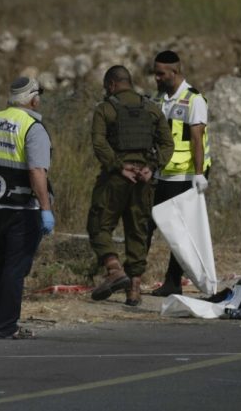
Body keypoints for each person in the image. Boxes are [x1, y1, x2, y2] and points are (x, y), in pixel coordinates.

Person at [87, 66, 173, 306]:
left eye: (107, 87)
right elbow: (168, 143)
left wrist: (117, 165)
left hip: (116, 177)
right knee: (138, 229)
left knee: (98, 223)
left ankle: (114, 269)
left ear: (112, 85)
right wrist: (152, 167)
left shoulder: (105, 108)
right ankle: (134, 288)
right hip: (144, 179)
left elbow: (98, 142)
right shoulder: (152, 109)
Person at [0, 76, 54, 339]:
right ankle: (6, 326)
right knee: (15, 268)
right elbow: (37, 171)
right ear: (33, 99)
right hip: (24, 207)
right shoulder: (32, 127)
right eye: (39, 96)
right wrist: (45, 208)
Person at [149, 50, 211, 297]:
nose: (156, 78)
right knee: (148, 225)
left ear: (174, 72)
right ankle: (134, 278)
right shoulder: (161, 99)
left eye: (160, 74)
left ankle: (173, 280)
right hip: (162, 174)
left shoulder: (193, 99)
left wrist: (199, 173)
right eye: (155, 73)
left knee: (179, 231)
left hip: (185, 176)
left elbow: (197, 138)